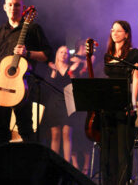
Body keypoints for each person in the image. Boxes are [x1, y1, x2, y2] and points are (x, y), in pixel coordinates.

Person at [0, 0, 51, 148]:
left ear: (22, 7)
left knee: (25, 130)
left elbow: (47, 54)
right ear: (4, 7)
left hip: (22, 86)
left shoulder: (33, 29)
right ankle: (0, 167)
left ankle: (26, 168)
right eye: (10, 4)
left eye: (17, 5)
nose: (13, 8)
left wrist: (28, 53)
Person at [102, 20, 138, 185]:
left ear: (126, 34)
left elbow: (136, 79)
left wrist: (132, 103)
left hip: (125, 104)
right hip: (109, 105)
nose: (114, 33)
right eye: (112, 30)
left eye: (119, 31)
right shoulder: (108, 55)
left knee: (122, 151)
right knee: (109, 150)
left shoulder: (134, 54)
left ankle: (122, 181)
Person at [43, 46, 74, 162]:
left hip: (68, 102)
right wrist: (54, 71)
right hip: (54, 103)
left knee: (67, 133)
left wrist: (73, 72)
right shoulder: (52, 68)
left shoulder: (71, 68)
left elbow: (74, 84)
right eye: (61, 52)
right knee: (55, 134)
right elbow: (48, 85)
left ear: (68, 56)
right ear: (57, 54)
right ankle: (54, 163)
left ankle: (67, 164)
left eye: (66, 53)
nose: (63, 54)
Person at [69, 39, 94, 175]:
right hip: (75, 96)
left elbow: (88, 72)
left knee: (85, 132)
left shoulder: (90, 57)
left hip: (86, 96)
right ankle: (74, 164)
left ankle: (86, 165)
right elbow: (70, 75)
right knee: (75, 133)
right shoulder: (72, 59)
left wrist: (83, 63)